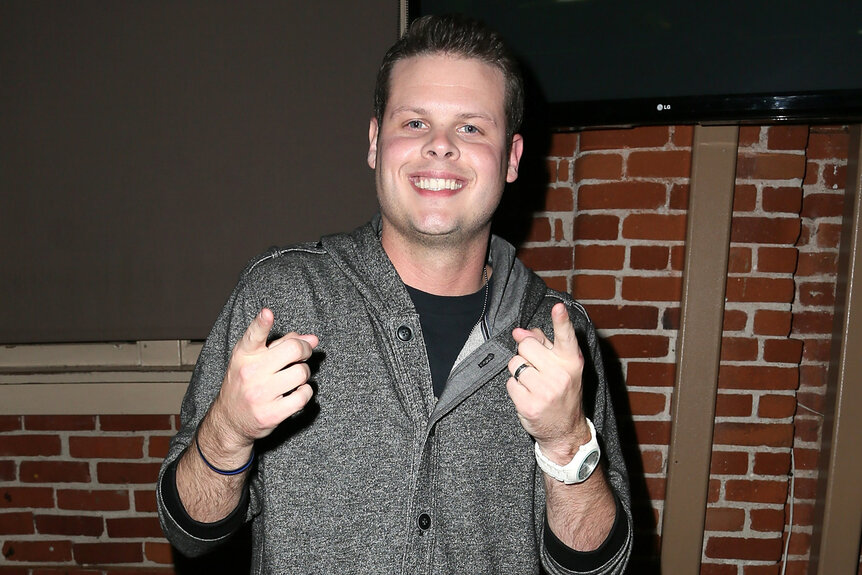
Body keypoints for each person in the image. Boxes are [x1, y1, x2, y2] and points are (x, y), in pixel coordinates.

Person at [158, 14, 632, 574]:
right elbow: (190, 530)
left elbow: (598, 567)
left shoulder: (562, 336)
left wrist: (567, 443)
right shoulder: (281, 297)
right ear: (375, 142)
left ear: (511, 158)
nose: (440, 147)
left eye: (471, 128)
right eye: (414, 123)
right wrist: (229, 431)